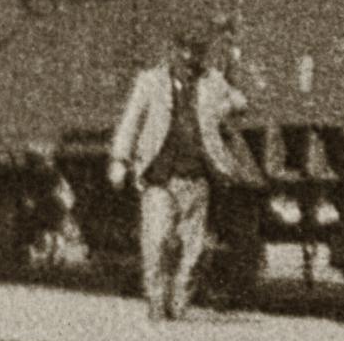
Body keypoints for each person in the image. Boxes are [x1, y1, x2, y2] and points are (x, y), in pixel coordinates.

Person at [105, 29, 256, 322]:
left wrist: (224, 107)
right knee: (157, 241)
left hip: (197, 176)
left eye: (197, 51)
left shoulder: (212, 81)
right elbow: (131, 122)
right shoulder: (150, 82)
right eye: (186, 50)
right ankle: (156, 304)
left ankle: (179, 302)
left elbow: (241, 101)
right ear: (175, 50)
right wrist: (120, 160)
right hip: (160, 177)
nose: (191, 57)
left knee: (195, 250)